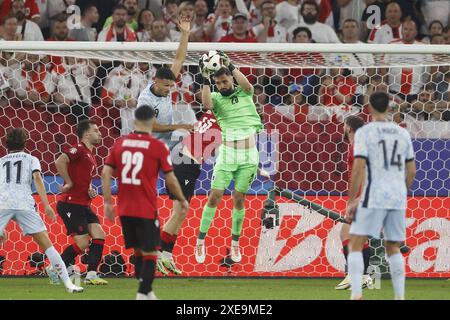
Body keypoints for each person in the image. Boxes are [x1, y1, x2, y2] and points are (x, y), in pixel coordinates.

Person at [102, 105, 189, 300]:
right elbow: (171, 179)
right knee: (152, 252)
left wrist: (108, 201)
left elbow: (106, 172)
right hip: (146, 209)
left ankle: (147, 291)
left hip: (124, 209)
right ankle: (142, 294)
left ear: (134, 121)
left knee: (139, 251)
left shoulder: (120, 143)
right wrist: (182, 199)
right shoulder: (157, 146)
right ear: (152, 123)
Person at [137, 15, 196, 276]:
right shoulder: (145, 98)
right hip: (150, 150)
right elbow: (148, 127)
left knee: (182, 206)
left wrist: (184, 33)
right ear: (155, 81)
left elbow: (179, 59)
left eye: (171, 85)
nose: (169, 89)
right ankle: (147, 255)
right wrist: (178, 127)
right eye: (165, 85)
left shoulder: (167, 83)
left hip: (171, 149)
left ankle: (165, 253)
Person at [346, 91, 417, 300]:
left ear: (369, 107)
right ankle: (399, 297)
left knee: (356, 242)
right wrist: (402, 190)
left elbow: (358, 168)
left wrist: (351, 201)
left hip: (373, 194)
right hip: (397, 196)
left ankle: (357, 294)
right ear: (389, 107)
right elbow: (411, 170)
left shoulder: (365, 133)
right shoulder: (402, 133)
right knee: (393, 246)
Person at [195, 52, 263, 264]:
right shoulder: (215, 98)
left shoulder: (245, 93)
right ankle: (200, 240)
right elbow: (206, 104)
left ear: (231, 79)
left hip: (249, 155)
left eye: (225, 81)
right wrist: (206, 78)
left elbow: (247, 85)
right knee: (215, 195)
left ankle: (235, 243)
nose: (222, 85)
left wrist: (230, 65)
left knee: (239, 199)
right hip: (227, 154)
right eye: (218, 83)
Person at [0, 128, 83, 293]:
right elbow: (37, 177)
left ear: (6, 144)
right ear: (25, 143)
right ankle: (69, 285)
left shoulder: (1, 161)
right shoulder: (31, 159)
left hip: (3, 203)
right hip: (24, 203)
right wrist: (46, 205)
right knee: (47, 245)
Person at [55, 120, 108, 285]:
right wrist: (68, 182)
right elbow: (59, 161)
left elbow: (83, 179)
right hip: (70, 204)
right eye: (96, 130)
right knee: (83, 243)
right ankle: (56, 268)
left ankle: (92, 274)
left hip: (84, 204)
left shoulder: (90, 154)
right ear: (86, 134)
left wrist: (90, 189)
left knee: (99, 234)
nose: (100, 133)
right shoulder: (78, 149)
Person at [335, 115, 373, 290]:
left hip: (363, 196)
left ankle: (354, 276)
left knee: (346, 233)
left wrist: (358, 198)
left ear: (349, 128)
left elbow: (363, 171)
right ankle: (363, 277)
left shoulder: (357, 145)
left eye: (343, 125)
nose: (342, 128)